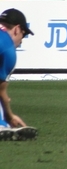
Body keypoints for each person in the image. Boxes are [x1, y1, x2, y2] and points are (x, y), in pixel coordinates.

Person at [0, 8, 38, 141]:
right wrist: (9, 116)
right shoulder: (7, 48)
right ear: (17, 29)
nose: (21, 41)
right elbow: (1, 91)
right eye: (23, 34)